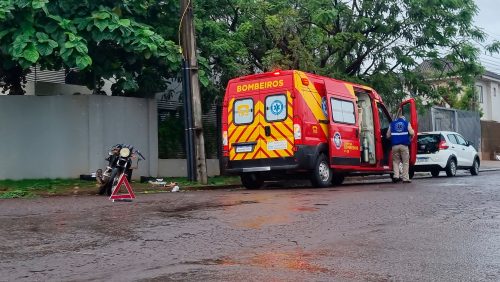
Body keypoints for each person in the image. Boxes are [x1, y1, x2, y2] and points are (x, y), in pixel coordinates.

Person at [386, 112, 415, 183]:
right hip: (404, 146)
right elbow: (411, 133)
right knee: (405, 162)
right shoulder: (406, 123)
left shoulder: (392, 124)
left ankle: (396, 176)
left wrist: (393, 139)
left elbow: (388, 135)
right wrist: (411, 136)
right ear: (403, 119)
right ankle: (405, 178)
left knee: (395, 161)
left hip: (395, 146)